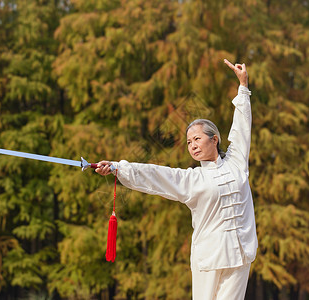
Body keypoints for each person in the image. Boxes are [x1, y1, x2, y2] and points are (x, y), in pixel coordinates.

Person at [95, 60, 257, 300]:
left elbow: (242, 127)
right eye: (189, 141)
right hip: (209, 259)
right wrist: (118, 168)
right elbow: (156, 175)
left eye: (197, 138)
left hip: (242, 254)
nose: (192, 145)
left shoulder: (236, 161)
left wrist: (243, 87)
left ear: (214, 140)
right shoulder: (192, 179)